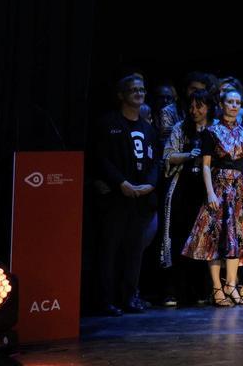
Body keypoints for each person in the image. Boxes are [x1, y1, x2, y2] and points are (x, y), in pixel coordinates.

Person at [181, 88, 243, 307]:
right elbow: (206, 166)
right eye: (230, 102)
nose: (234, 106)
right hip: (219, 188)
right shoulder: (211, 132)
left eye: (237, 102)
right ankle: (217, 287)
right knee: (215, 238)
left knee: (236, 238)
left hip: (240, 189)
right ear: (222, 105)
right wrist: (210, 193)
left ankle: (231, 285)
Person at [93, 74, 160, 316]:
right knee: (110, 249)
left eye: (142, 89)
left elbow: (155, 162)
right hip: (116, 197)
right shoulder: (108, 124)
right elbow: (101, 158)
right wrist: (120, 182)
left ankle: (129, 296)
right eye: (133, 90)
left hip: (141, 200)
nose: (139, 93)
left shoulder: (147, 129)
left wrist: (149, 185)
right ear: (121, 95)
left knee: (134, 250)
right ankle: (105, 299)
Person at [159, 88, 213, 307]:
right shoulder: (180, 128)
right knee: (180, 238)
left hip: (207, 190)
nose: (194, 110)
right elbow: (168, 155)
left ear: (208, 107)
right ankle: (176, 290)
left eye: (198, 106)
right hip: (183, 189)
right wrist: (189, 155)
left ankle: (202, 289)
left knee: (204, 239)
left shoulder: (216, 128)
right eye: (190, 106)